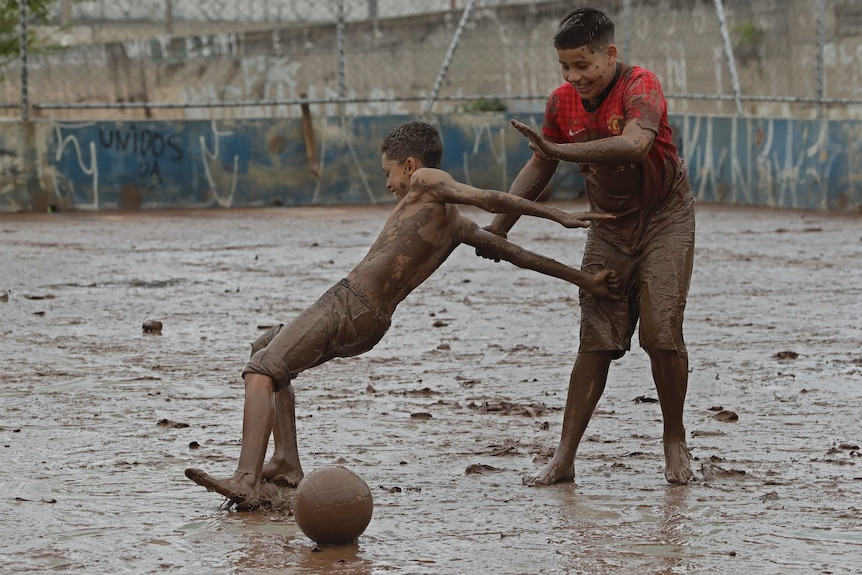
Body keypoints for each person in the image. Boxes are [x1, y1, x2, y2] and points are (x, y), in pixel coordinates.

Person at [185, 120, 625, 509]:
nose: (389, 184)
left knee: (260, 370)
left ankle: (246, 479)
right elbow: (517, 254)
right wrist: (584, 280)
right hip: (373, 324)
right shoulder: (456, 225)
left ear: (410, 165)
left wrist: (559, 216)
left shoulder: (427, 181)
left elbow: (491, 199)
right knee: (268, 347)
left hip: (351, 300)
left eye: (388, 173)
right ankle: (284, 462)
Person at [479, 7, 696, 486]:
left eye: (583, 65)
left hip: (665, 218)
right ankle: (564, 457)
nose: (574, 77)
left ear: (609, 54)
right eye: (565, 67)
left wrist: (561, 151)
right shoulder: (561, 103)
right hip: (607, 226)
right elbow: (540, 167)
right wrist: (498, 227)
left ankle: (674, 439)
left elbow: (636, 145)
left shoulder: (641, 85)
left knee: (661, 333)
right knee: (595, 341)